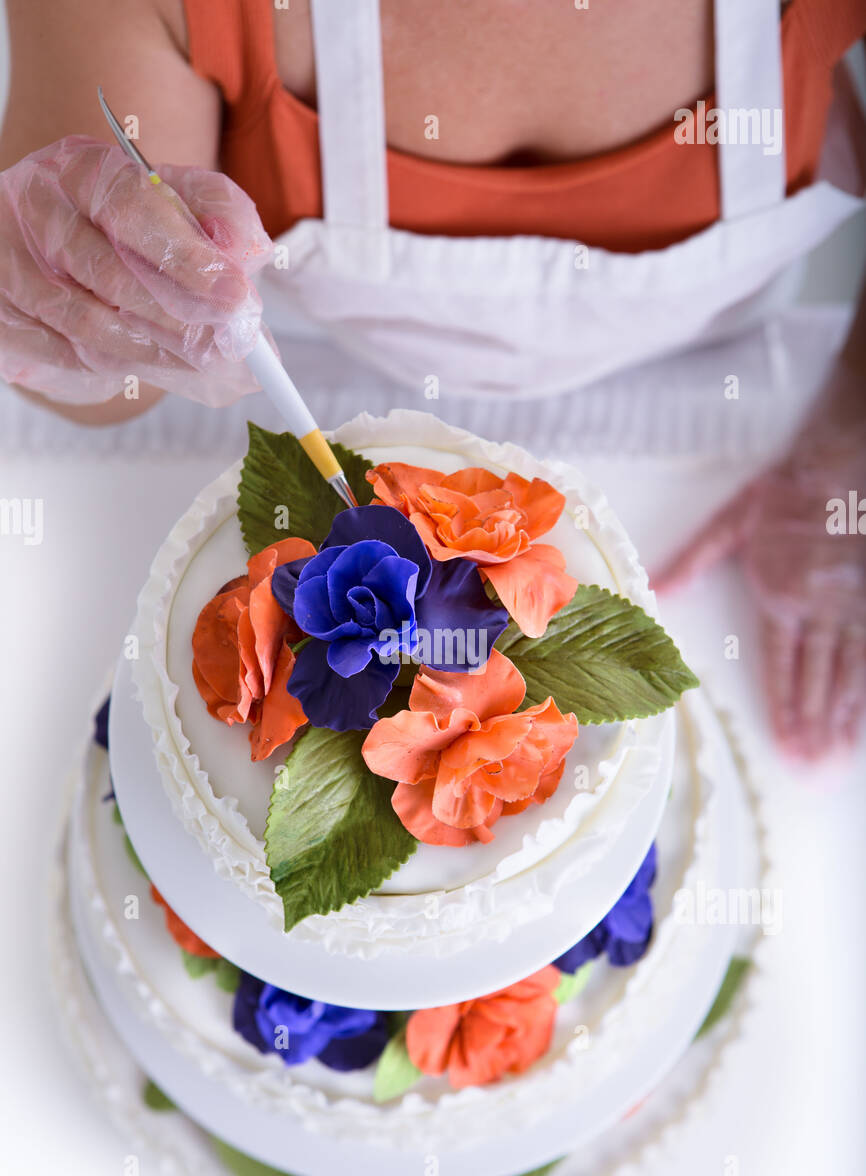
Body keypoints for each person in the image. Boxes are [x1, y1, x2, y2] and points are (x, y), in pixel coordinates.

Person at [0, 0, 864, 757]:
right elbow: (113, 386)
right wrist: (56, 311)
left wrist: (853, 433)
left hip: (729, 405)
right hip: (310, 378)